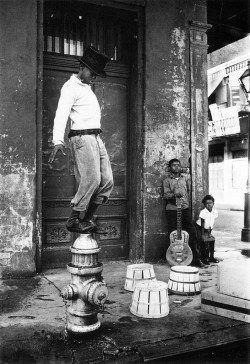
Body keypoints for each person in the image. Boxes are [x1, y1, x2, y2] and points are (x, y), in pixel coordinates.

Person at [48, 46, 114, 234]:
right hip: (81, 138)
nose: (93, 77)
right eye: (92, 73)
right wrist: (57, 141)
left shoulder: (86, 88)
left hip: (95, 137)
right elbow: (61, 114)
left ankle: (86, 219)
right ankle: (73, 220)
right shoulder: (70, 87)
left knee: (107, 181)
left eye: (95, 75)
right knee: (92, 179)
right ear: (82, 68)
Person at [163, 158, 206, 268]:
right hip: (172, 210)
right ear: (170, 167)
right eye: (173, 165)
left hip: (184, 209)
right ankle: (174, 259)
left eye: (178, 165)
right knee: (173, 235)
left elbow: (188, 193)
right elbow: (166, 195)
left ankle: (196, 259)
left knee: (192, 233)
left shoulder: (186, 178)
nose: (176, 167)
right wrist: (174, 195)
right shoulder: (167, 180)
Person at [195, 194, 219, 264]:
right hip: (199, 228)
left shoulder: (215, 212)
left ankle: (211, 257)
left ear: (213, 203)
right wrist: (203, 235)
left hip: (207, 229)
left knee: (212, 240)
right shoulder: (203, 212)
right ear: (204, 205)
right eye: (207, 203)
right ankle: (204, 258)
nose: (209, 205)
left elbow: (211, 223)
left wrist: (209, 233)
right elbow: (202, 224)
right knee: (203, 241)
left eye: (210, 203)